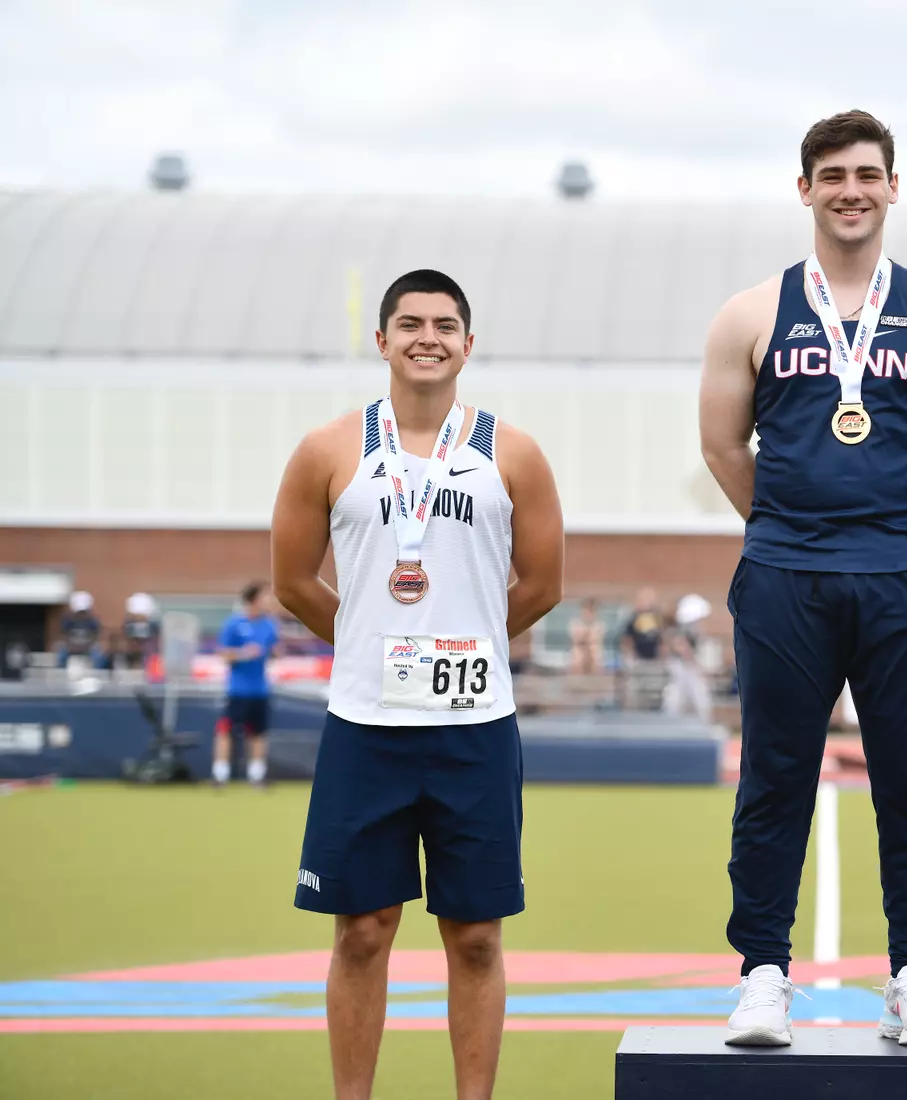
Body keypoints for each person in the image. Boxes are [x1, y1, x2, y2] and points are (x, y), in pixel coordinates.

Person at [699, 109, 907, 1047]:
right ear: (806, 189)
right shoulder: (750, 312)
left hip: (905, 573)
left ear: (893, 186)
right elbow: (722, 446)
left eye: (868, 173)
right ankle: (763, 978)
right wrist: (796, 529)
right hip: (785, 573)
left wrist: (890, 533)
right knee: (775, 778)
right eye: (833, 175)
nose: (851, 189)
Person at [271, 269, 564, 1100]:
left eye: (444, 325)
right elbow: (293, 579)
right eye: (409, 323)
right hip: (365, 728)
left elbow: (542, 585)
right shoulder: (329, 450)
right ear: (382, 341)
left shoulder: (514, 453)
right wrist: (373, 644)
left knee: (474, 938)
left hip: (475, 729)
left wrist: (464, 646)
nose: (426, 337)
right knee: (361, 932)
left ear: (469, 344)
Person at [213, 581, 283, 789]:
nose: (268, 601)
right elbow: (223, 654)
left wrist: (275, 652)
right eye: (264, 597)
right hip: (238, 690)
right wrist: (244, 653)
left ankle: (256, 776)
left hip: (260, 689)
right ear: (253, 600)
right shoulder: (233, 624)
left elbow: (272, 651)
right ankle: (220, 775)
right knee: (226, 730)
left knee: (259, 733)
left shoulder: (270, 625)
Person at [663, 593, 714, 724]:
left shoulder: (693, 628)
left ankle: (704, 724)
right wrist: (693, 661)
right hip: (681, 666)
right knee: (676, 698)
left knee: (699, 698)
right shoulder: (682, 627)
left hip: (688, 666)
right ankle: (670, 723)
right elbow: (680, 646)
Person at [57, 590, 104, 671]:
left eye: (83, 611)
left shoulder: (93, 621)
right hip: (71, 646)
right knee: (61, 655)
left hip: (88, 646)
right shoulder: (68, 620)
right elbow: (64, 635)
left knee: (98, 656)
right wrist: (71, 646)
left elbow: (95, 636)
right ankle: (60, 674)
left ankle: (98, 674)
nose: (81, 614)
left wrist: (87, 646)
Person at [566, 597, 606, 675]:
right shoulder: (575, 624)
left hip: (593, 653)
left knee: (595, 654)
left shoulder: (599, 625)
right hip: (579, 651)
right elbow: (577, 639)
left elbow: (594, 640)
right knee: (577, 657)